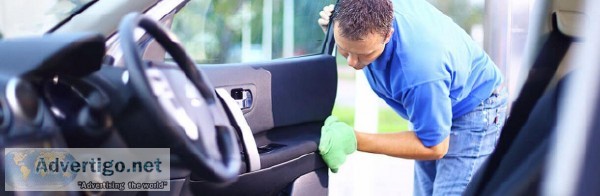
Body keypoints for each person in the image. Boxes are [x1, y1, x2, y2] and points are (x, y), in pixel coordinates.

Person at [316, 0, 508, 195]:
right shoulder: (366, 13)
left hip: (474, 108)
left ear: (388, 35)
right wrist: (334, 36)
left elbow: (434, 146)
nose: (352, 63)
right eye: (345, 51)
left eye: (365, 54)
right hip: (432, 97)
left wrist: (354, 139)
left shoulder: (421, 70)